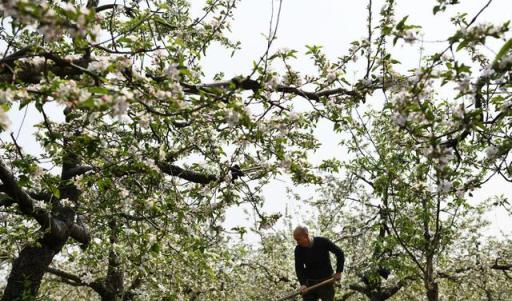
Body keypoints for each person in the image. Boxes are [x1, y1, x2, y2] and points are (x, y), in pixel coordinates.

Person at [293, 226, 344, 301]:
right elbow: (299, 268)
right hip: (310, 284)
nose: (297, 242)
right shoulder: (298, 249)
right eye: (296, 240)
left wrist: (339, 272)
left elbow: (339, 253)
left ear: (306, 235)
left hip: (326, 282)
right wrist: (303, 284)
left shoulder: (322, 242)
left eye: (298, 239)